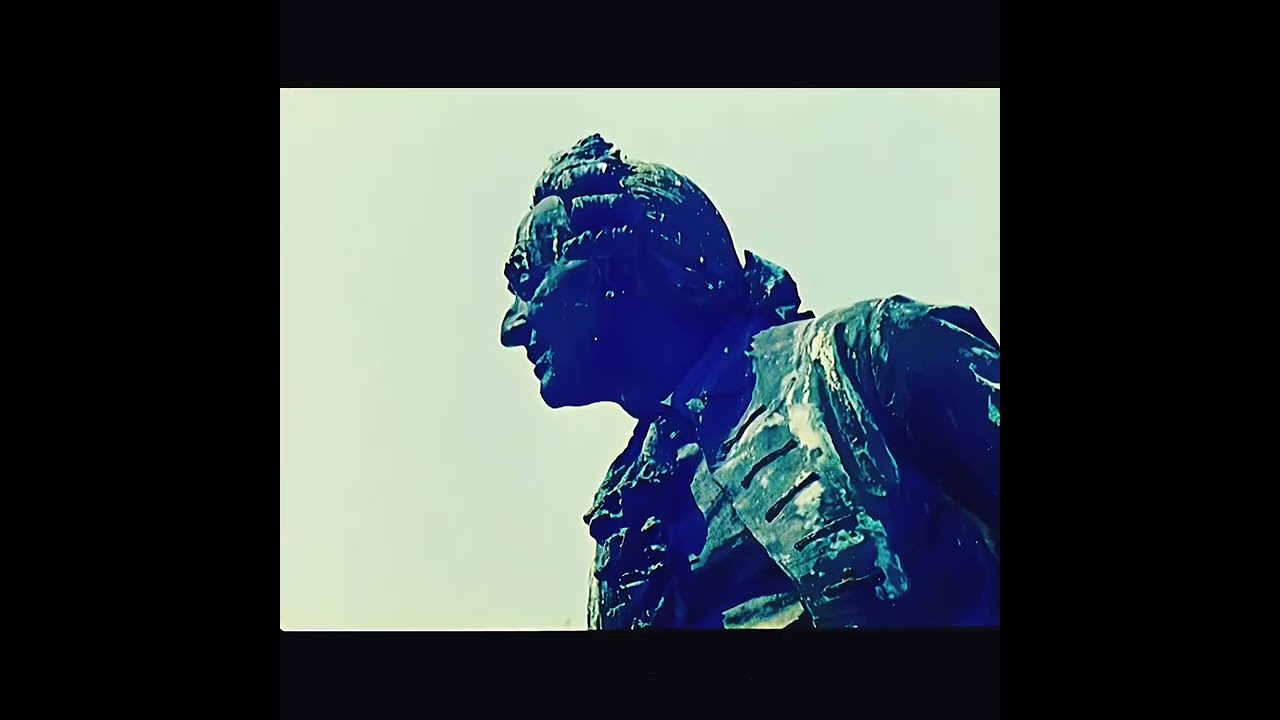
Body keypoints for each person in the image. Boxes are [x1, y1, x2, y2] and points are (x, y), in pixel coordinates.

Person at [500, 134, 999, 629]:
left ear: (614, 266)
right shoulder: (626, 518)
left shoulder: (867, 356)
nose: (512, 326)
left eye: (529, 279)